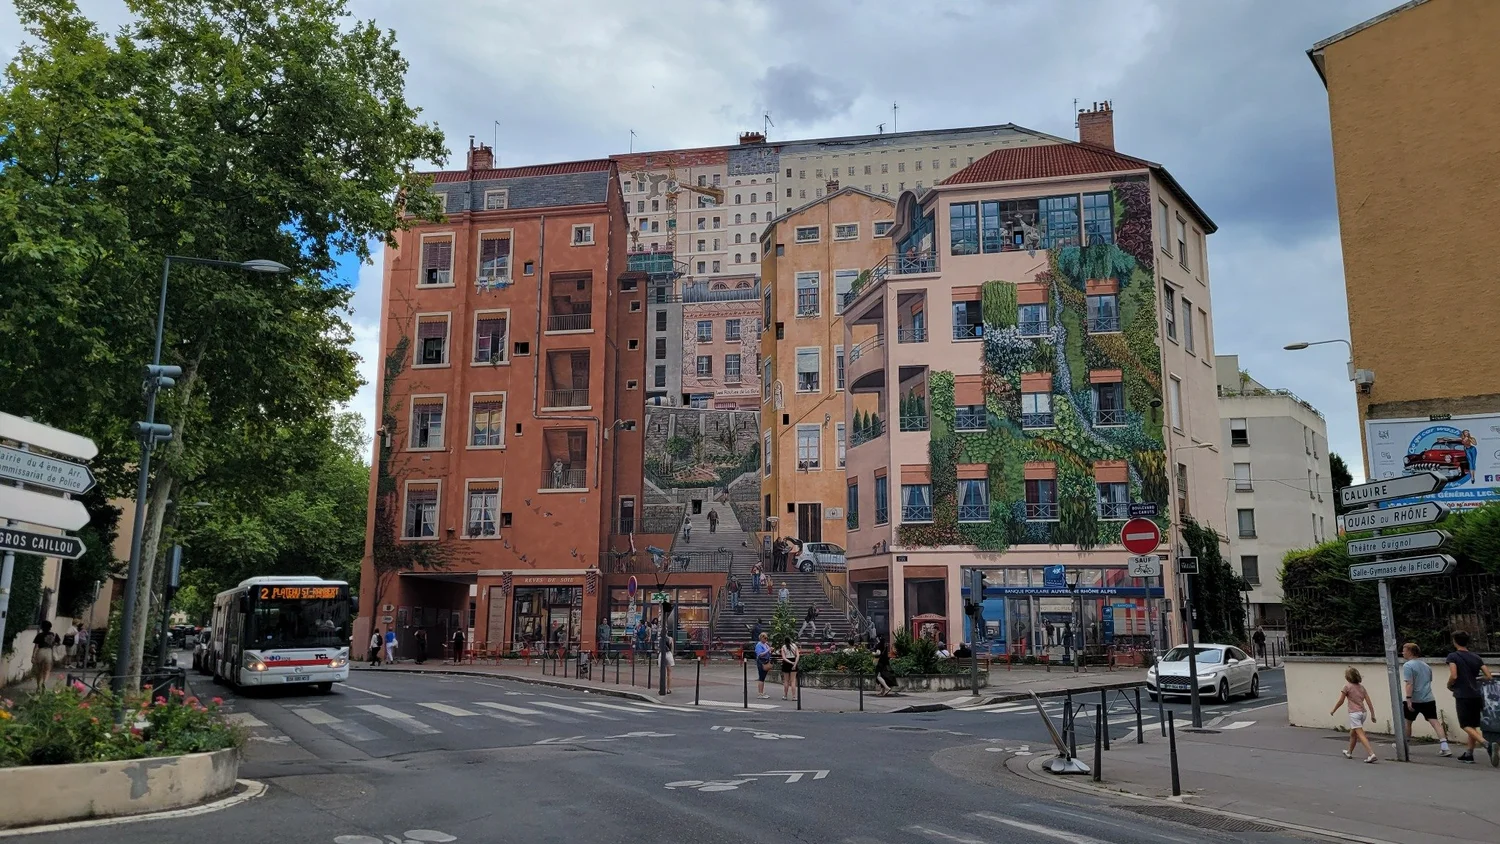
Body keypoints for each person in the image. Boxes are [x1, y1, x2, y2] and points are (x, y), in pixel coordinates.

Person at [1446, 630, 1495, 764]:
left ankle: (1486, 744)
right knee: (1472, 725)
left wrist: (1449, 685)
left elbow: (1454, 675)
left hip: (1462, 694)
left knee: (1465, 725)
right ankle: (1469, 754)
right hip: (1476, 694)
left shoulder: (1453, 656)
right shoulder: (1476, 657)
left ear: (1455, 641)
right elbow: (1489, 676)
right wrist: (1476, 679)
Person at [1400, 642, 1451, 756]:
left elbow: (1409, 683)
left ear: (1410, 652)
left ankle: (1405, 746)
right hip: (1428, 697)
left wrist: (1408, 699)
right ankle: (1445, 746)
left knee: (1407, 721)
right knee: (1434, 721)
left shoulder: (1408, 665)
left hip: (1415, 699)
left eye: (1404, 650)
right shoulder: (1426, 666)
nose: (1402, 652)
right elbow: (1429, 680)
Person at [1330, 666, 1378, 763]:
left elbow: (1341, 701)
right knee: (1353, 733)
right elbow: (1369, 702)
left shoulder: (1346, 687)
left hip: (1354, 713)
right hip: (1363, 713)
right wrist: (1372, 714)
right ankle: (1349, 752)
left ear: (1348, 677)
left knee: (1360, 734)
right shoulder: (1362, 688)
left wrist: (1333, 710)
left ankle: (1371, 754)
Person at [30, 621, 59, 691]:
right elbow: (57, 644)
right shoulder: (53, 635)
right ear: (50, 627)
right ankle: (44, 682)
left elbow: (36, 646)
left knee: (39, 670)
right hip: (49, 652)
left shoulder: (39, 635)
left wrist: (33, 656)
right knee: (47, 670)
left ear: (42, 627)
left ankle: (38, 686)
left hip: (40, 651)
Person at [754, 632, 773, 699]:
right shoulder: (759, 645)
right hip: (761, 661)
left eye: (766, 638)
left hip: (766, 660)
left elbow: (769, 651)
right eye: (765, 638)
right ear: (761, 638)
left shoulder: (765, 644)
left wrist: (770, 650)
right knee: (761, 677)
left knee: (763, 677)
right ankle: (760, 693)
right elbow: (760, 654)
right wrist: (768, 650)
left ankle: (762, 691)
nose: (766, 639)